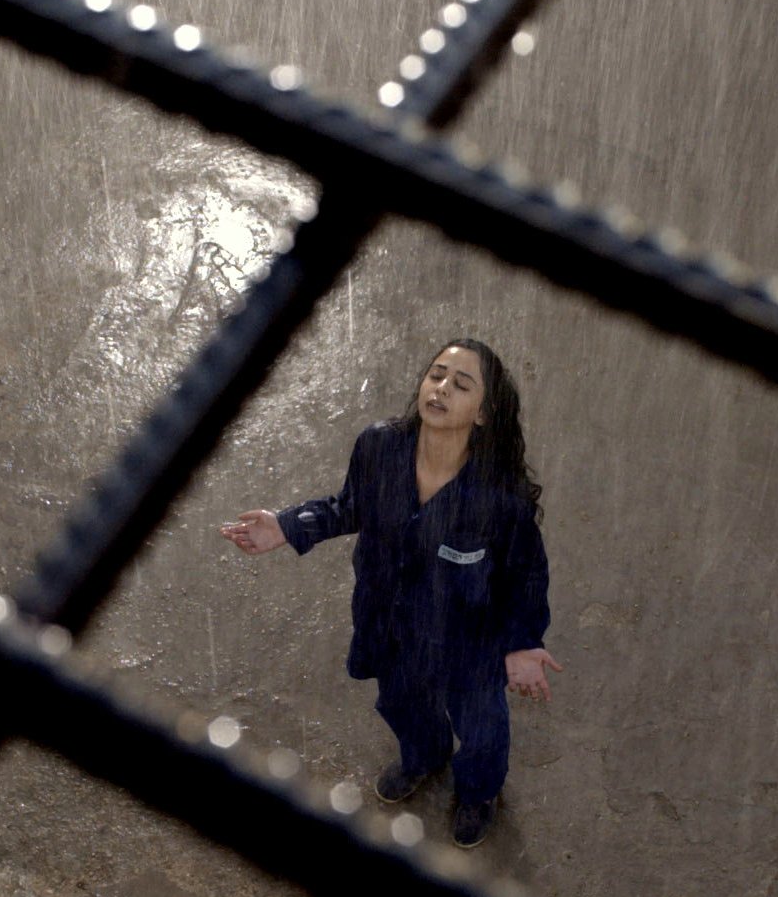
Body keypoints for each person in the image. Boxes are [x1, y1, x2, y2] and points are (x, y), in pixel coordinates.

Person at [219, 338, 561, 847]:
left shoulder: (498, 498)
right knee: (404, 705)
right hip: (392, 624)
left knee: (482, 728)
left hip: (470, 643)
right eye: (436, 374)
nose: (441, 388)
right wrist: (289, 526)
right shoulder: (379, 447)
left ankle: (477, 792)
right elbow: (350, 506)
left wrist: (522, 642)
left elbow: (527, 576)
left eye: (461, 384)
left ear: (484, 414)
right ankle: (424, 757)